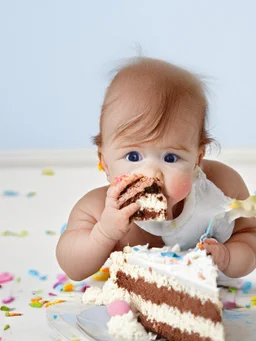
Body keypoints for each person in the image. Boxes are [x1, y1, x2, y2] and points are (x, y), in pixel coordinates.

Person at [56, 57, 256, 281]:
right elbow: (72, 266)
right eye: (133, 156)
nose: (152, 175)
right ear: (105, 162)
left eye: (170, 158)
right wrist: (103, 233)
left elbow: (249, 239)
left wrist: (228, 257)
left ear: (197, 160)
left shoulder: (221, 191)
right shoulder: (95, 209)